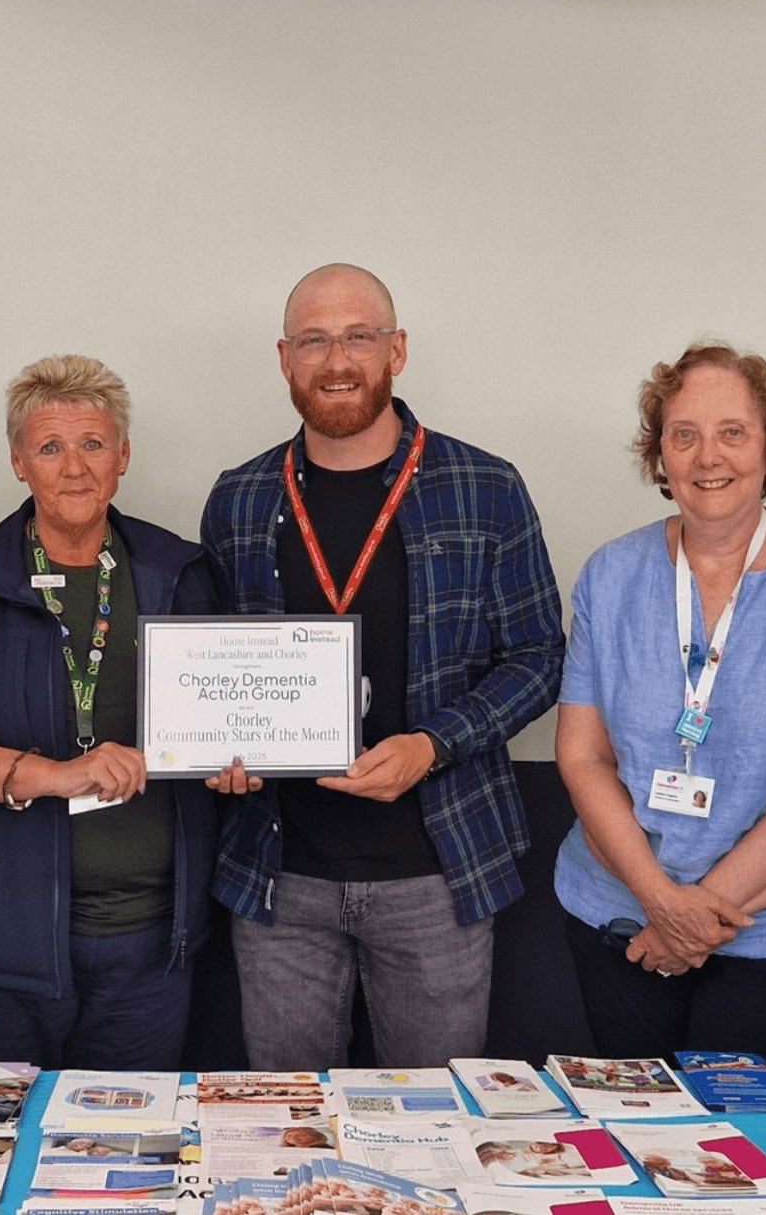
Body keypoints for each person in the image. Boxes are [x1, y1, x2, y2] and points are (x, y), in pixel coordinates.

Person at [202, 262, 565, 1068]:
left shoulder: (486, 486)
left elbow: (541, 658)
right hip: (280, 875)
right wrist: (218, 753)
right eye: (315, 340)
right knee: (285, 1125)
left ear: (396, 349)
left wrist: (432, 744)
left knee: (434, 1130)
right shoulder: (238, 498)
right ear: (284, 357)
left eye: (359, 337)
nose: (338, 360)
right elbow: (218, 670)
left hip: (438, 873)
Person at [0, 354, 217, 1069]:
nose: (73, 466)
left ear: (123, 455)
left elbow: (219, 727)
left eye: (93, 443)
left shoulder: (180, 572)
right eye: (50, 447)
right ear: (17, 462)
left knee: (124, 1168)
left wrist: (242, 762)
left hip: (149, 952)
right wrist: (54, 773)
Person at [553, 344, 766, 1066]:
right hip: (620, 910)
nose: (707, 455)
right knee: (640, 1135)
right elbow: (582, 755)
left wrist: (695, 916)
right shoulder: (611, 574)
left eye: (732, 432)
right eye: (683, 434)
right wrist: (660, 900)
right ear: (659, 455)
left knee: (752, 1153)